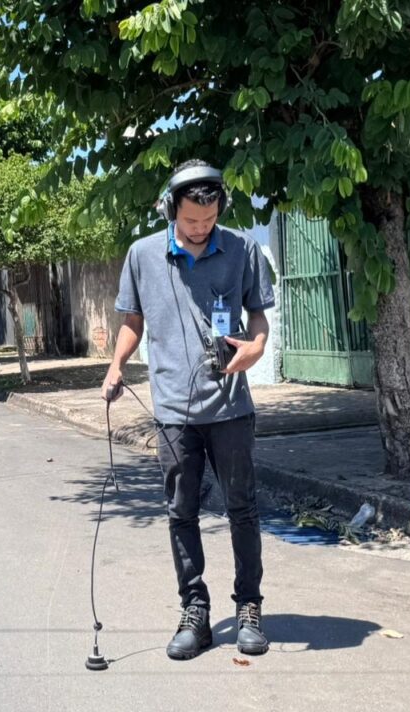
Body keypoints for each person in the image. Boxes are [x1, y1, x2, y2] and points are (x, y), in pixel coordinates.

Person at [101, 160, 276, 660]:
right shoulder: (142, 255)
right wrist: (117, 364)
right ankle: (195, 612)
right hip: (174, 409)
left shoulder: (241, 248)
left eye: (209, 220)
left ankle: (248, 609)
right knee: (181, 512)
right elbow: (133, 319)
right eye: (191, 221)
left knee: (242, 508)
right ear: (170, 209)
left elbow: (258, 314)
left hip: (231, 407)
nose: (200, 230)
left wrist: (257, 347)